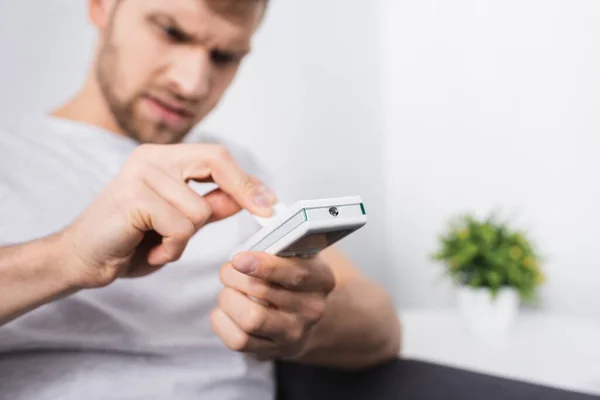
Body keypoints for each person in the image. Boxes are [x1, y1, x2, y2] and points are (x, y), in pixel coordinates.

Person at [0, 0, 401, 398]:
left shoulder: (235, 172)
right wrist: (68, 256)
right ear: (102, 7)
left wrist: (303, 326)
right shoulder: (11, 158)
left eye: (224, 56)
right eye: (170, 32)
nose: (192, 84)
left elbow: (383, 328)